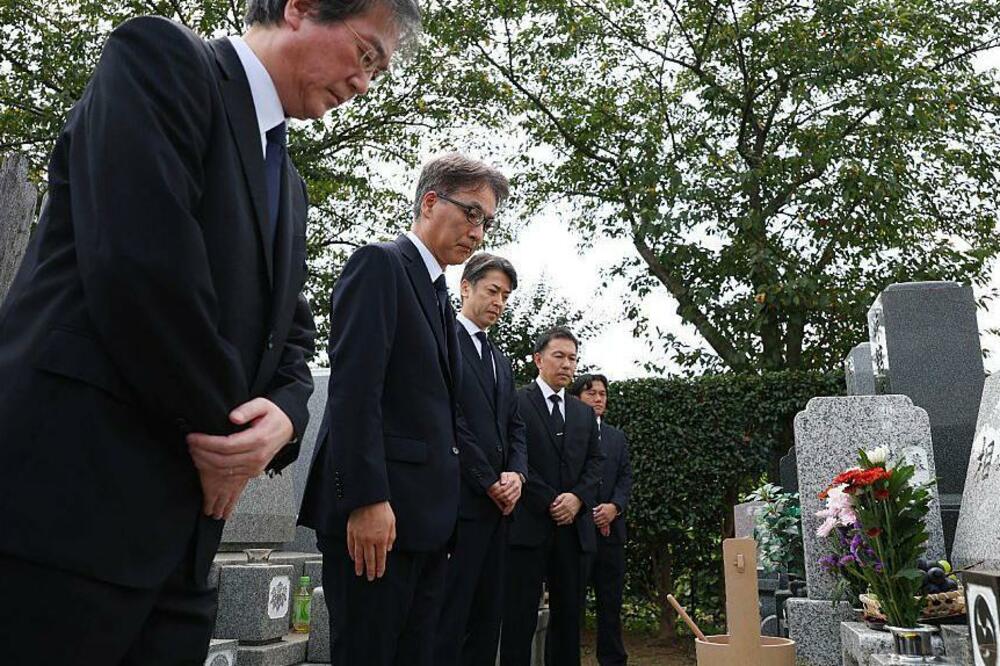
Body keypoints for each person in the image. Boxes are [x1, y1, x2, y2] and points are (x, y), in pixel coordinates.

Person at [0, 1, 418, 662]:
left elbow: (294, 341)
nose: (364, 83)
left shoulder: (292, 188)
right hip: (71, 510)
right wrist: (228, 438)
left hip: (182, 546)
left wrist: (282, 421)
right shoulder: (161, 59)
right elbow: (142, 268)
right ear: (300, 8)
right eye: (365, 54)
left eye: (378, 72)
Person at [299, 153, 510, 666]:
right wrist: (365, 499)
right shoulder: (381, 265)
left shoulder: (439, 296)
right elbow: (355, 391)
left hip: (428, 526)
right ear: (431, 201)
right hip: (378, 520)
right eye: (473, 214)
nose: (478, 234)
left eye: (487, 221)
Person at [433, 253, 528, 666]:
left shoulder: (499, 360)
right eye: (493, 291)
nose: (499, 303)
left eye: (505, 296)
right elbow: (450, 419)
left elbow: (515, 427)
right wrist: (487, 479)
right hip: (458, 505)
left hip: (499, 511)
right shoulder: (444, 341)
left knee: (489, 618)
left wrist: (517, 476)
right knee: (449, 617)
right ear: (466, 286)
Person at [500, 327, 605, 666]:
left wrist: (576, 499)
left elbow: (595, 464)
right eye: (559, 356)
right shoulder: (515, 401)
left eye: (572, 358)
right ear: (538, 358)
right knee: (519, 618)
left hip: (572, 532)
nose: (567, 365)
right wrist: (550, 500)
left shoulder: (583, 413)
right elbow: (514, 457)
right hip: (527, 528)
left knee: (569, 619)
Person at [569, 373, 634, 666]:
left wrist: (614, 507)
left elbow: (624, 478)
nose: (598, 399)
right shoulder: (567, 432)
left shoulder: (616, 437)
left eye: (602, 394)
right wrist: (592, 510)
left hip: (612, 535)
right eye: (590, 393)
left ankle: (613, 660)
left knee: (611, 604)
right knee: (571, 606)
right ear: (577, 397)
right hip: (575, 531)